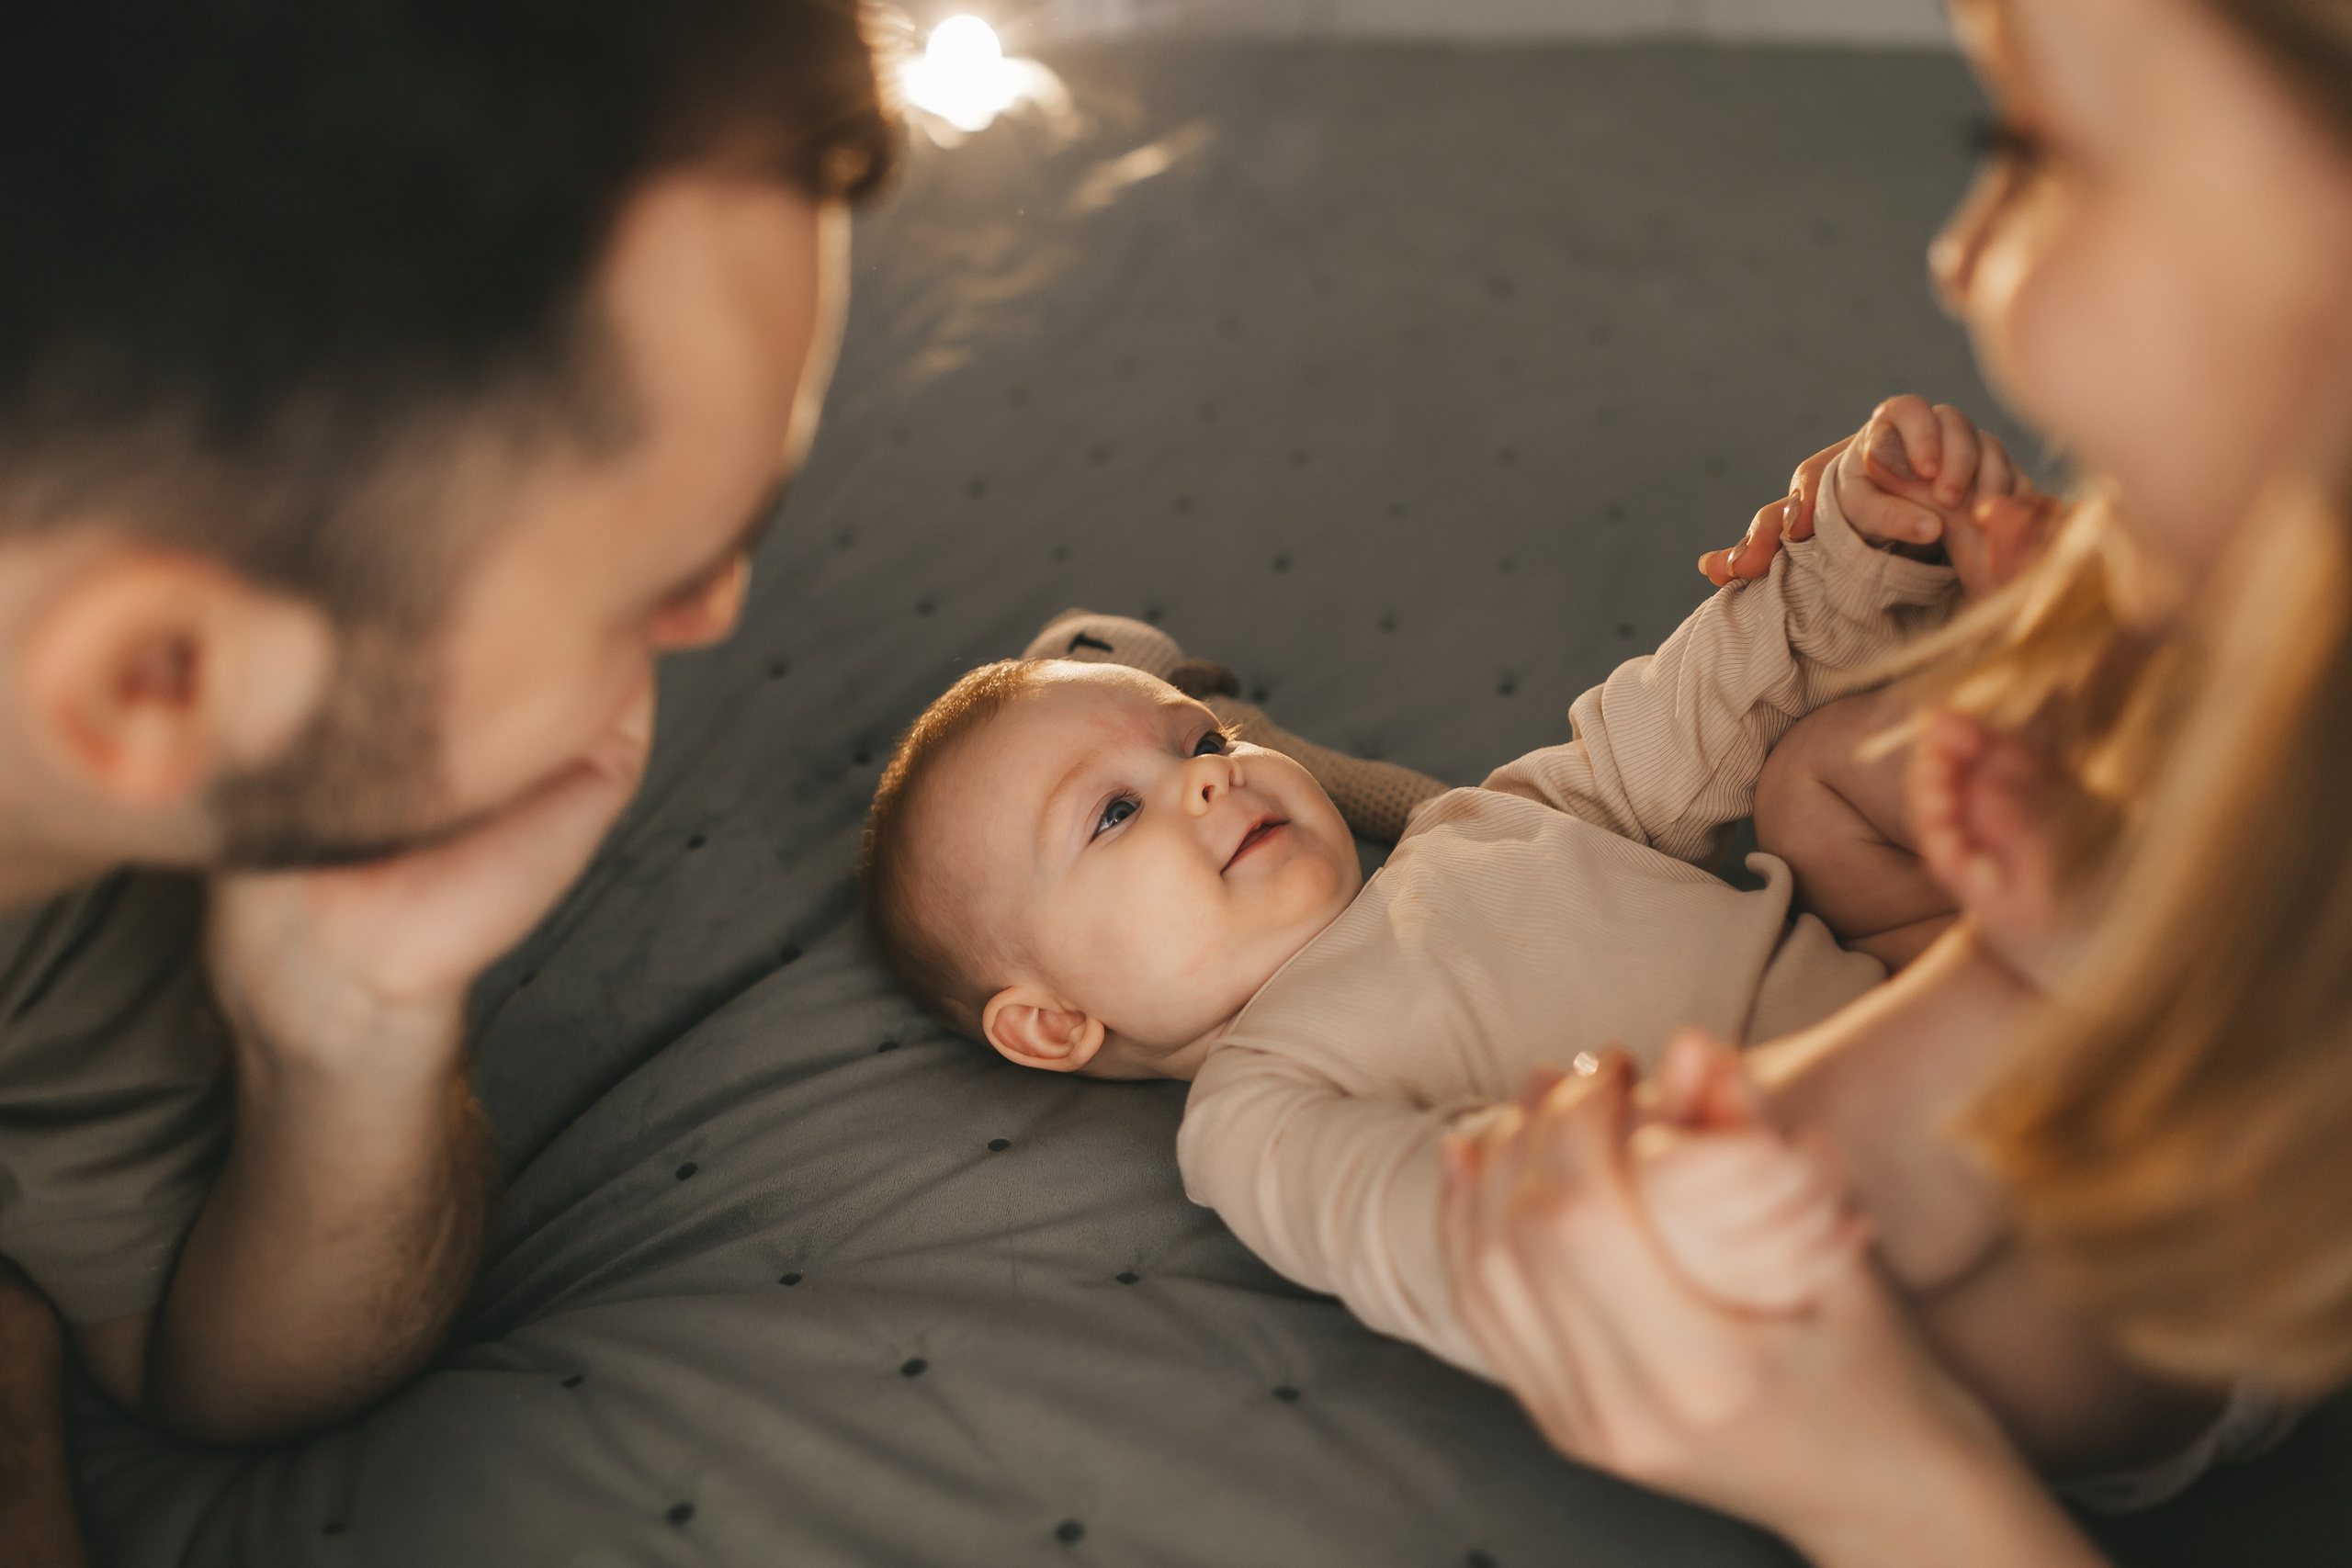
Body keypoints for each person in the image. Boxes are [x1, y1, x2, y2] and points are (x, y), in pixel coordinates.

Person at [851, 404, 2211, 1472]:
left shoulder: (1477, 829)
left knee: (1812, 768)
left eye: (1196, 740)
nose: (1207, 776)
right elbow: (1430, 1228)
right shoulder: (1260, 1106)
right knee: (1793, 1181)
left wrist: (1858, 543)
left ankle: (2093, 849)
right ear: (1051, 1022)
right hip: (2000, 1294)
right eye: (1109, 816)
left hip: (1999, 1060)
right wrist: (1575, 1200)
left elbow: (1688, 709)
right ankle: (2105, 903)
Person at [1440, 0, 2352, 1557]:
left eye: (2035, 147)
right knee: (1820, 776)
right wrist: (2010, 593)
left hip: (2214, 1158)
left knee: (1952, 1326)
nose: (1957, 256)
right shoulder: (2261, 578)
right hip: (2133, 978)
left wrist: (1884, 1486)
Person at [0, 5, 899, 1562]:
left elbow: (198, 1365)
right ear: (156, 679)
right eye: (661, 577)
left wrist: (346, 1033)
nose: (718, 619)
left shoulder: (61, 865)